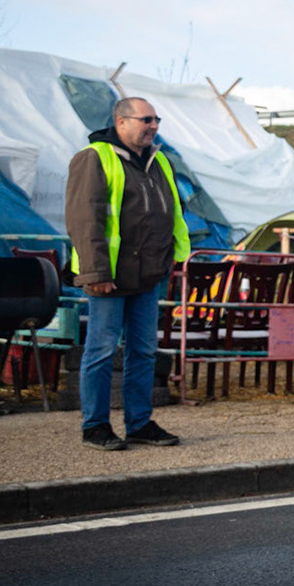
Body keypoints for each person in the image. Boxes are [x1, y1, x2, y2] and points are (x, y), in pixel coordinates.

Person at [65, 96, 189, 450]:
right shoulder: (94, 158)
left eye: (156, 120)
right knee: (102, 350)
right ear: (121, 122)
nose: (153, 125)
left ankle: (139, 423)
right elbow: (84, 220)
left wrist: (171, 260)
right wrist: (96, 272)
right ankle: (96, 426)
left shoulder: (161, 161)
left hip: (148, 276)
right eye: (145, 119)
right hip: (108, 277)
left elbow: (173, 214)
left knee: (144, 351)